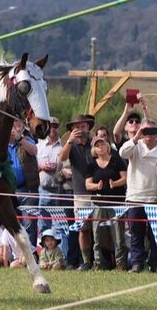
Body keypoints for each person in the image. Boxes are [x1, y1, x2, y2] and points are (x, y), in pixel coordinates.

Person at [119, 117, 157, 273]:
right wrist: (135, 137)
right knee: (136, 233)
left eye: (152, 131)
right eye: (145, 131)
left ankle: (156, 264)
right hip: (135, 196)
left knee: (156, 234)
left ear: (156, 133)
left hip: (155, 197)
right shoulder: (135, 145)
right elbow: (122, 153)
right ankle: (137, 263)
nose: (149, 135)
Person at [59, 114, 95, 271]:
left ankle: (101, 260)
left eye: (83, 126)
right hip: (80, 192)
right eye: (77, 127)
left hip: (99, 191)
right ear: (72, 130)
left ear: (88, 127)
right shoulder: (71, 146)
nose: (81, 130)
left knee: (100, 229)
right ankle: (86, 261)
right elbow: (62, 158)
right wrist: (69, 140)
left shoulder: (96, 143)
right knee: (83, 228)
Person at [85, 135, 127, 270]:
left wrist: (115, 183)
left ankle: (120, 264)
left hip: (116, 204)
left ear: (107, 146)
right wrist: (96, 186)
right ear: (94, 149)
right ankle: (99, 263)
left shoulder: (117, 161)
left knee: (118, 236)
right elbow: (87, 185)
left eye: (102, 144)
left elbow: (125, 178)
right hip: (98, 204)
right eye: (97, 145)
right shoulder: (91, 164)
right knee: (98, 236)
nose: (100, 147)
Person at [8, 119, 39, 249]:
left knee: (29, 224)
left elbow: (33, 151)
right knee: (12, 225)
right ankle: (17, 255)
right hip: (9, 191)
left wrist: (19, 138)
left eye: (19, 124)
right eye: (13, 123)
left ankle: (31, 254)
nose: (16, 127)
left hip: (28, 190)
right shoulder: (2, 143)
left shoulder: (27, 140)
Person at [36, 117, 64, 237]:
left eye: (55, 126)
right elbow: (32, 168)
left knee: (60, 227)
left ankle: (60, 255)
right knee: (43, 226)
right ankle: (44, 254)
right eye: (50, 126)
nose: (53, 129)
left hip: (60, 190)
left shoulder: (64, 146)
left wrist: (58, 169)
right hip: (43, 190)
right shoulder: (38, 146)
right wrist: (42, 166)